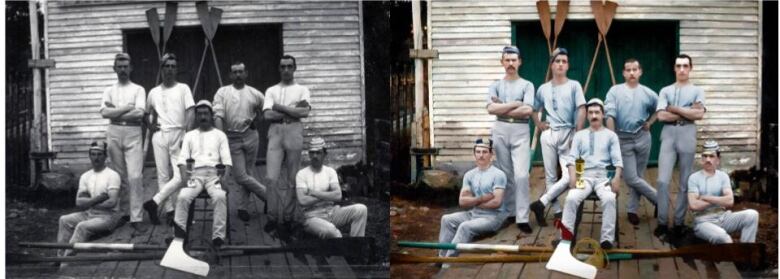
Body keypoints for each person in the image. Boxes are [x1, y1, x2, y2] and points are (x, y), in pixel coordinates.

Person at [529, 47, 587, 227]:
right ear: (552, 65)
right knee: (550, 175)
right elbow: (533, 108)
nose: (560, 64)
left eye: (564, 61)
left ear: (568, 65)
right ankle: (557, 212)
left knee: (575, 176)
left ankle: (542, 202)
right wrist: (539, 124)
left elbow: (582, 109)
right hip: (550, 133)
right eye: (557, 61)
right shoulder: (543, 88)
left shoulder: (574, 85)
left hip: (570, 134)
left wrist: (578, 132)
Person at [560, 98, 623, 249]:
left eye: (597, 112)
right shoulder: (579, 135)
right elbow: (572, 158)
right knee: (571, 198)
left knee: (609, 199)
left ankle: (606, 239)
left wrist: (616, 178)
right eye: (591, 113)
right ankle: (565, 238)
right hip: (584, 176)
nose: (594, 115)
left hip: (604, 177)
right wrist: (573, 176)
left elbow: (618, 161)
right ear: (587, 115)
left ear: (603, 115)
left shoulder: (611, 136)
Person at [655, 54, 706, 238]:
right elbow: (661, 116)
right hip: (668, 135)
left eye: (685, 66)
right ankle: (662, 221)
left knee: (685, 181)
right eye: (679, 66)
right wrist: (688, 111)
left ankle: (678, 222)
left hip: (687, 135)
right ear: (674, 68)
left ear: (690, 68)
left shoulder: (697, 90)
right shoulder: (665, 91)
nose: (682, 69)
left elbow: (699, 115)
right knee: (662, 181)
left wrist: (674, 109)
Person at [486, 46, 536, 233]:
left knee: (521, 175)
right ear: (502, 62)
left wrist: (503, 105)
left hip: (520, 130)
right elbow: (491, 109)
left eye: (514, 60)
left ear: (519, 62)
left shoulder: (527, 85)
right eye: (507, 60)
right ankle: (510, 213)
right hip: (500, 128)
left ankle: (523, 217)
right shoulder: (495, 85)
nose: (510, 64)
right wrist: (516, 103)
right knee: (506, 174)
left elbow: (528, 110)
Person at [143, 53, 196, 226]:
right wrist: (150, 126)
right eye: (167, 66)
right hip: (160, 135)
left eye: (173, 66)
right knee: (162, 175)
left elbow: (190, 112)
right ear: (162, 68)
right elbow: (145, 113)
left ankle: (154, 202)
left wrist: (187, 135)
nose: (170, 70)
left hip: (179, 134)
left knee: (181, 176)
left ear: (177, 69)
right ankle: (169, 211)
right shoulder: (154, 92)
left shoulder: (183, 88)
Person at [604, 58, 659, 226]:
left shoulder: (648, 93)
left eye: (635, 69)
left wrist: (649, 122)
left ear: (640, 71)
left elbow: (660, 109)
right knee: (631, 177)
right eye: (628, 70)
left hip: (642, 137)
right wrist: (613, 137)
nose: (632, 73)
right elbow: (609, 115)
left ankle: (632, 210)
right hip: (623, 139)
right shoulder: (615, 91)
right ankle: (658, 199)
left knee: (639, 175)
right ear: (623, 73)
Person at [172, 100, 232, 247]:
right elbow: (182, 159)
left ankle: (218, 238)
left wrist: (224, 179)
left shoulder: (220, 135)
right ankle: (179, 236)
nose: (203, 116)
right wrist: (185, 178)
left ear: (211, 116)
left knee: (219, 196)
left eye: (206, 113)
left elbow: (227, 161)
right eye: (199, 114)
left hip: (215, 175)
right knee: (183, 196)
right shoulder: (189, 135)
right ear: (196, 117)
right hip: (194, 175)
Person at [213, 61, 268, 222]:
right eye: (235, 72)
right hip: (232, 137)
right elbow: (218, 115)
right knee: (240, 176)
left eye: (240, 72)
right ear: (230, 75)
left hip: (251, 135)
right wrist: (220, 136)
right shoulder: (222, 93)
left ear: (246, 74)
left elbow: (265, 112)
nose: (238, 75)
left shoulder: (255, 93)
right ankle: (268, 196)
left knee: (248, 172)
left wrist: (257, 118)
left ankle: (243, 207)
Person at [99, 53, 146, 231]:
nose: (123, 70)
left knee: (135, 176)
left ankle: (137, 217)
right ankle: (123, 214)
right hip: (114, 131)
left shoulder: (138, 89)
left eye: (126, 66)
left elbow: (140, 113)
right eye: (119, 67)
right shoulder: (109, 90)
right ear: (114, 69)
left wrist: (116, 110)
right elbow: (104, 113)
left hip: (133, 132)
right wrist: (127, 107)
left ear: (131, 68)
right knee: (119, 176)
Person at [438, 138, 508, 258]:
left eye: (485, 152)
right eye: (478, 152)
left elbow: (496, 202)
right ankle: (440, 257)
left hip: (492, 217)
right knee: (446, 219)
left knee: (465, 227)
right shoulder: (469, 175)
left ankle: (449, 261)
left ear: (491, 154)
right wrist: (481, 199)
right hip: (473, 214)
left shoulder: (498, 174)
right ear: (474, 154)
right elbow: (462, 201)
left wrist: (472, 201)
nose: (481, 156)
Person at [263, 55, 311, 225]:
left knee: (293, 177)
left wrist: (280, 107)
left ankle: (289, 217)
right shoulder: (271, 90)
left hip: (294, 130)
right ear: (279, 68)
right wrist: (292, 110)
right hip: (275, 131)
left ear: (294, 68)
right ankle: (272, 217)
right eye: (283, 67)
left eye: (289, 66)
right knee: (271, 178)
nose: (286, 70)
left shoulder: (302, 90)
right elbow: (267, 115)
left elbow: (304, 113)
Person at [57, 141, 122, 257]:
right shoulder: (85, 176)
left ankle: (66, 260)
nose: (96, 158)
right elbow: (78, 202)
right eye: (93, 154)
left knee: (82, 226)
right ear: (89, 156)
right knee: (64, 219)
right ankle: (59, 256)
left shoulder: (112, 175)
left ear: (105, 157)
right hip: (89, 213)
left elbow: (112, 202)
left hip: (107, 217)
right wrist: (98, 199)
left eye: (99, 154)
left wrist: (88, 202)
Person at [688, 140, 758, 244]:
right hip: (703, 222)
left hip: (723, 217)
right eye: (705, 156)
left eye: (711, 156)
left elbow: (730, 201)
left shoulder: (723, 176)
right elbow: (694, 205)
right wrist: (720, 200)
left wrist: (705, 197)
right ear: (701, 158)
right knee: (724, 239)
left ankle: (746, 250)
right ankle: (733, 254)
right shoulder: (694, 178)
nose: (708, 159)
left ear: (718, 159)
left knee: (752, 215)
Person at [296, 137, 367, 238]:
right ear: (309, 154)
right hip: (312, 217)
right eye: (312, 153)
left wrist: (315, 193)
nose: (315, 156)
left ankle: (357, 244)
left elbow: (338, 196)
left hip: (332, 212)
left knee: (361, 209)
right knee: (332, 232)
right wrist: (328, 194)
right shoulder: (302, 174)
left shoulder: (330, 172)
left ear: (324, 154)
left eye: (318, 152)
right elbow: (302, 201)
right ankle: (346, 249)